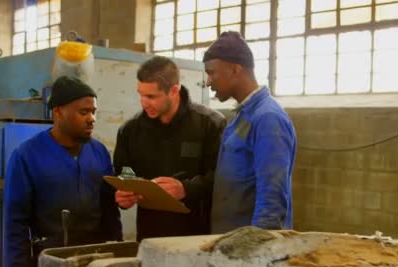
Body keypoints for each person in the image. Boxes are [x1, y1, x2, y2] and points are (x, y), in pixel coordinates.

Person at [4, 76, 122, 267]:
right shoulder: (27, 155)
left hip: (96, 262)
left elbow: (110, 210)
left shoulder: (98, 152)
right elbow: (15, 222)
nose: (91, 119)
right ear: (58, 112)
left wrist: (118, 253)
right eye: (84, 112)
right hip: (51, 262)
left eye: (94, 111)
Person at [113, 56, 226, 241]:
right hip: (150, 237)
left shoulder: (210, 125)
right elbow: (125, 171)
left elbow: (222, 178)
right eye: (140, 94)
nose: (143, 102)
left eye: (151, 96)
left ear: (174, 91)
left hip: (198, 239)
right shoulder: (130, 130)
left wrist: (186, 189)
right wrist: (125, 192)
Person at [203, 31, 297, 233]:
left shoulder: (267, 118)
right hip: (230, 242)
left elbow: (272, 197)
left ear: (235, 70)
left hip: (247, 250)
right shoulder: (242, 116)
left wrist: (257, 250)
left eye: (212, 73)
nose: (208, 82)